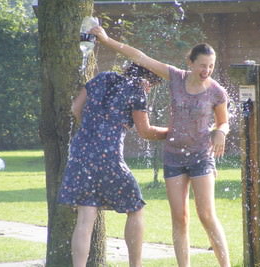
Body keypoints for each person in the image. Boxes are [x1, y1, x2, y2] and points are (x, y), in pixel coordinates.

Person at [90, 26, 231, 267]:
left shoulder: (217, 92)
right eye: (202, 65)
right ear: (190, 62)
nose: (206, 70)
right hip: (174, 157)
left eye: (210, 66)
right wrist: (106, 40)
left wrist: (220, 132)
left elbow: (224, 122)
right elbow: (139, 57)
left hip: (201, 156)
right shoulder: (176, 76)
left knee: (206, 215)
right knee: (180, 217)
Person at [58, 63, 168, 267]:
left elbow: (75, 108)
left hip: (80, 151)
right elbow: (145, 132)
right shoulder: (137, 90)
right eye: (152, 84)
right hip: (108, 155)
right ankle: (136, 265)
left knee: (85, 216)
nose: (149, 89)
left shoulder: (102, 77)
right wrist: (173, 132)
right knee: (135, 207)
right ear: (147, 78)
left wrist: (94, 128)